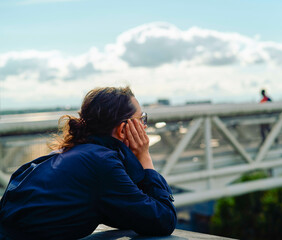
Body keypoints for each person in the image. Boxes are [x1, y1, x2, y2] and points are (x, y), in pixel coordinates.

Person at [0, 87, 177, 239]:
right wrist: (145, 158)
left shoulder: (74, 155)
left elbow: (127, 214)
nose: (144, 126)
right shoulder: (101, 163)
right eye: (141, 119)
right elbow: (164, 219)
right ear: (123, 129)